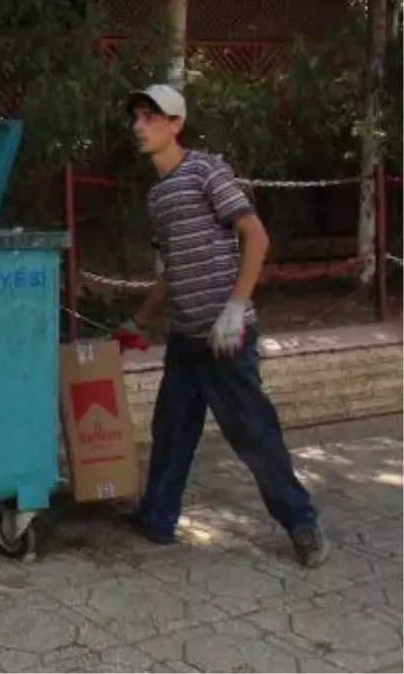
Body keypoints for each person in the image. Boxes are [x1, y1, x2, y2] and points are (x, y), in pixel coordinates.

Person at [114, 84, 329, 568]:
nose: (141, 125)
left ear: (176, 124)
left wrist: (236, 309)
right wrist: (137, 321)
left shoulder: (205, 170)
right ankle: (157, 517)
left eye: (153, 117)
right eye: (137, 118)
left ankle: (302, 523)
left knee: (253, 433)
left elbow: (255, 236)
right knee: (170, 429)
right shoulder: (158, 197)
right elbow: (172, 270)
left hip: (226, 339)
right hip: (186, 339)